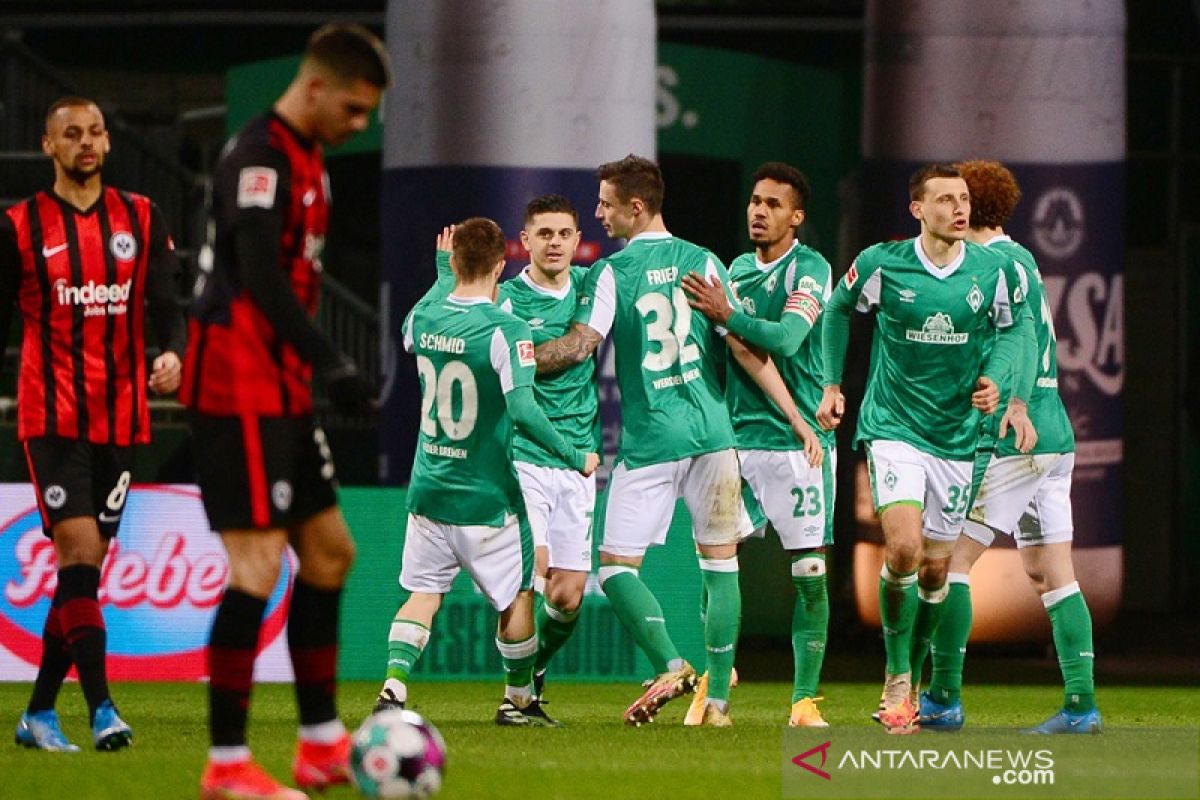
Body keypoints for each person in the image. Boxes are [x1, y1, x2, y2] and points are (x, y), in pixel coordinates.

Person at [180, 24, 389, 800]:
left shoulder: (309, 159)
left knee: (331, 552)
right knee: (257, 567)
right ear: (314, 88)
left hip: (280, 388)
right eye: (356, 109)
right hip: (236, 385)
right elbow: (258, 277)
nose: (359, 124)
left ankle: (320, 745)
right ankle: (227, 766)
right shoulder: (259, 154)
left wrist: (312, 369)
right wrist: (330, 358)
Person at [535, 154, 817, 727]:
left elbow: (583, 344)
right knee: (721, 567)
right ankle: (715, 707)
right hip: (715, 437)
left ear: (635, 208)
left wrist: (521, 359)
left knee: (615, 569)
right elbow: (743, 347)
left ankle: (670, 662)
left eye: (606, 204)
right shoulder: (704, 260)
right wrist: (797, 415)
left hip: (652, 438)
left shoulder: (614, 272)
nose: (598, 214)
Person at [816, 163, 1037, 735]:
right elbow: (839, 310)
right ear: (918, 209)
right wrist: (832, 383)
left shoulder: (992, 270)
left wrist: (996, 378)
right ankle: (894, 676)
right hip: (893, 429)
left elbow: (1015, 330)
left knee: (937, 573)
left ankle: (910, 682)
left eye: (963, 199)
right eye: (945, 200)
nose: (959, 209)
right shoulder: (882, 264)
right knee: (904, 550)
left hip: (957, 437)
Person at [0, 96, 186, 753]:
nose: (86, 142)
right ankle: (103, 708)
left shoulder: (140, 216)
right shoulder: (19, 225)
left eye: (96, 132)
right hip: (51, 417)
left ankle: (37, 715)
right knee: (78, 553)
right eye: (71, 134)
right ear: (48, 146)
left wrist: (171, 354)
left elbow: (167, 305)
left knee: (83, 574)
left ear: (108, 142)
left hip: (124, 417)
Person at [374, 218, 598, 726]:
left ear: (453, 262)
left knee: (424, 594)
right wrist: (573, 453)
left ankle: (393, 688)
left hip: (429, 489)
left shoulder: (426, 315)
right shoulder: (506, 327)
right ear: (503, 265)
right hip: (487, 495)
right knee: (518, 596)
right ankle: (518, 702)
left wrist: (439, 275)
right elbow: (522, 410)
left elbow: (415, 327)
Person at [917, 160, 1101, 734]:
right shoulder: (1021, 258)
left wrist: (1013, 402)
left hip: (1015, 437)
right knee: (1053, 574)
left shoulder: (990, 264)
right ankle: (1081, 706)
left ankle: (943, 697)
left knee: (951, 562)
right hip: (1055, 438)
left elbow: (1015, 344)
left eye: (958, 199)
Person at [681, 162, 834, 727]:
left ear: (796, 217)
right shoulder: (734, 270)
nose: (758, 210)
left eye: (772, 204)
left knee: (810, 576)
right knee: (716, 569)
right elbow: (737, 348)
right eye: (754, 201)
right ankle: (715, 690)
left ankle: (803, 701)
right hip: (735, 439)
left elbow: (789, 341)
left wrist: (731, 315)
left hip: (798, 449)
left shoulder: (810, 269)